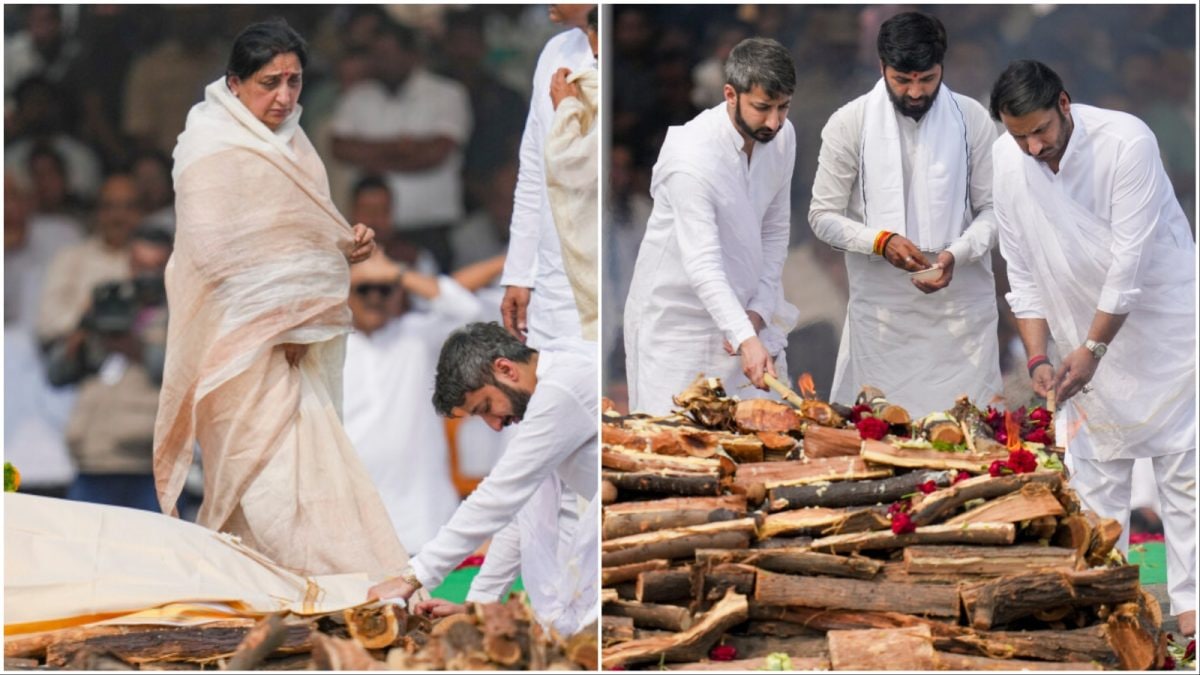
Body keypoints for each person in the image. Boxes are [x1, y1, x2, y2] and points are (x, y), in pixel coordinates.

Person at [151, 19, 411, 582]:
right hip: (237, 350)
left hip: (295, 349)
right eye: (270, 82)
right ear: (235, 83)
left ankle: (319, 595)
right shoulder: (207, 146)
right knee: (262, 480)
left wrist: (347, 245)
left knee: (314, 476)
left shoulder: (296, 142)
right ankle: (324, 589)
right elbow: (215, 256)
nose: (284, 96)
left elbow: (307, 238)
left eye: (294, 82)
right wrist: (284, 322)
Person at [989, 59, 1196, 637]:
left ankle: (1193, 613)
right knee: (1096, 476)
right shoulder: (1006, 161)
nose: (1032, 146)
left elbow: (1129, 266)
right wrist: (1038, 357)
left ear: (1064, 103)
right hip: (1078, 330)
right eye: (1018, 134)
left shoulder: (1126, 141)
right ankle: (1111, 612)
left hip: (1161, 320)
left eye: (1040, 131)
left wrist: (1093, 348)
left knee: (1185, 471)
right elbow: (1022, 273)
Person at [808, 11, 1001, 416]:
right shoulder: (849, 122)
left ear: (941, 68)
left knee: (969, 440)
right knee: (882, 434)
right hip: (883, 321)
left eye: (927, 80)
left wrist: (957, 253)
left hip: (960, 314)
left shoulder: (974, 119)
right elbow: (822, 216)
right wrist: (880, 242)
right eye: (903, 80)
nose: (915, 92)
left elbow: (994, 211)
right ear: (882, 68)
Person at [366, 323, 597, 637]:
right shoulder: (547, 385)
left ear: (505, 369)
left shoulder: (563, 387)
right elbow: (521, 510)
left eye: (486, 407)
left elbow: (499, 495)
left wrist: (412, 577)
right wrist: (479, 607)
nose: (495, 425)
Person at [623, 37, 795, 415]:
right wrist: (745, 336)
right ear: (730, 94)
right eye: (763, 108)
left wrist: (759, 312)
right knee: (673, 453)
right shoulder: (691, 156)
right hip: (678, 325)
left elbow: (775, 230)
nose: (774, 122)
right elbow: (702, 263)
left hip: (747, 315)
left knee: (764, 444)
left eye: (783, 108)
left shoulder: (784, 136)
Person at [343, 249, 502, 554]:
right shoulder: (330, 346)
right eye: (364, 288)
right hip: (354, 522)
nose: (375, 297)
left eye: (384, 288)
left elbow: (467, 312)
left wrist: (398, 273)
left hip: (422, 519)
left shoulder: (417, 337)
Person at [330, 20, 472, 273]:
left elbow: (436, 154)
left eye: (387, 54)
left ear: (412, 55)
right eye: (375, 55)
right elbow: (340, 148)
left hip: (430, 230)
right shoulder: (357, 96)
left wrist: (370, 158)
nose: (380, 61)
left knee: (438, 305)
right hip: (371, 235)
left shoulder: (447, 94)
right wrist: (402, 147)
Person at [48, 227, 173, 511]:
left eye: (155, 268)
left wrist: (137, 348)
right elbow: (57, 374)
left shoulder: (180, 312)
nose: (145, 278)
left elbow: (180, 374)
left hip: (147, 467)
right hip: (92, 460)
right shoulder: (110, 302)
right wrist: (83, 327)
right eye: (139, 267)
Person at [499, 4, 596, 347]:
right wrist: (519, 273)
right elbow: (534, 169)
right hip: (553, 273)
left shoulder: (615, 57)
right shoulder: (555, 51)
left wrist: (568, 111)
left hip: (599, 256)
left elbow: (590, 168)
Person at [544, 7, 599, 341]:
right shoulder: (556, 53)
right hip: (557, 263)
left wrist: (567, 108)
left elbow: (570, 165)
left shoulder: (593, 83)